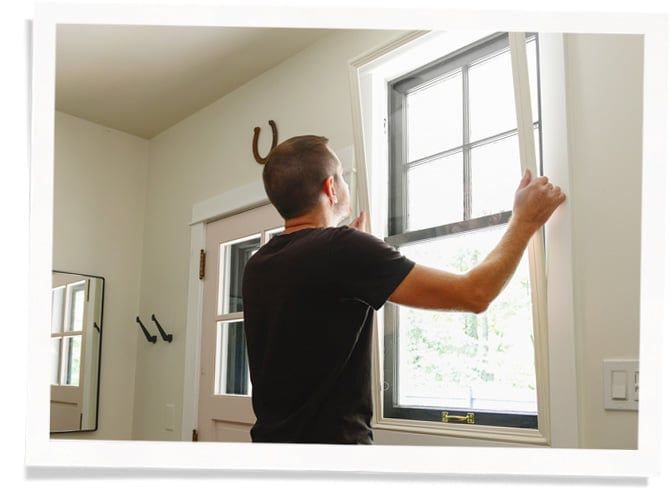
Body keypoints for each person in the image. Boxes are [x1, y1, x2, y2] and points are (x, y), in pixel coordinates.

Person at [242, 135, 566, 444]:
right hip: (331, 459)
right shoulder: (340, 250)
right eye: (341, 176)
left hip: (271, 452)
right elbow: (475, 293)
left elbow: (314, 326)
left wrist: (356, 254)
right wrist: (524, 221)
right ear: (331, 188)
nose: (344, 183)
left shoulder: (259, 263)